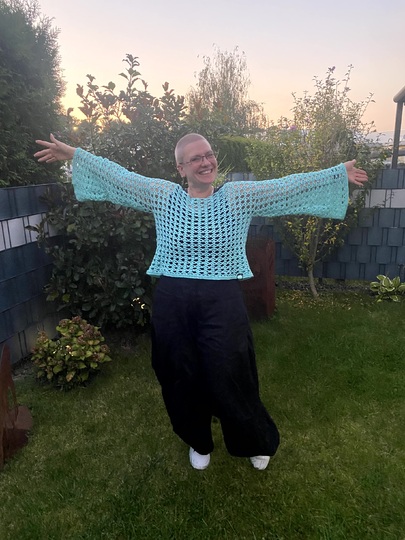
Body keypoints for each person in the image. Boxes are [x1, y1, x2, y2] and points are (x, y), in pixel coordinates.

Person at [35, 133, 368, 471]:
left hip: (222, 299)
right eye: (195, 158)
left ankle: (253, 440)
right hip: (173, 299)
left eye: (208, 155)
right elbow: (119, 178)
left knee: (232, 371)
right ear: (181, 168)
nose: (206, 162)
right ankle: (198, 439)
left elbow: (287, 188)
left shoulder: (238, 196)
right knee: (178, 371)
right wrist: (74, 154)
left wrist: (336, 174)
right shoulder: (163, 195)